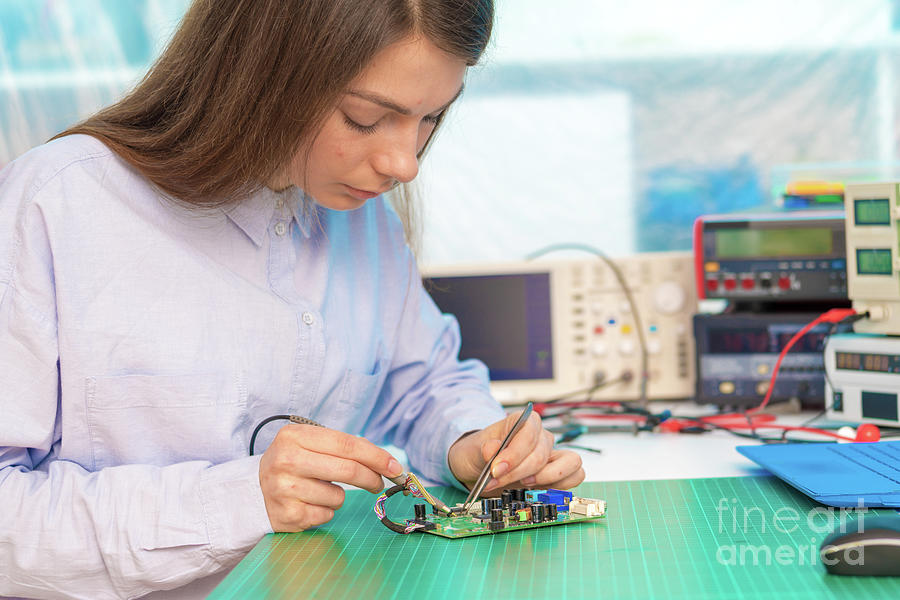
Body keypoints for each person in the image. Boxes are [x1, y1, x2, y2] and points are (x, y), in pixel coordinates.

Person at [0, 1, 585, 598]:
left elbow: (420, 388)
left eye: (430, 117)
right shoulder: (55, 205)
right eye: (363, 118)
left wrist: (474, 445)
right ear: (261, 70)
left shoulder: (360, 219)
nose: (404, 164)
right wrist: (238, 499)